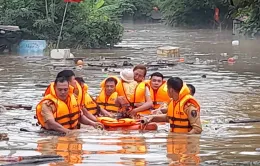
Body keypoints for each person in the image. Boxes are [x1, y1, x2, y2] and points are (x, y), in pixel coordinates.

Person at [36, 77, 102, 134]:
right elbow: (51, 123)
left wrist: (93, 123)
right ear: (54, 88)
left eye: (65, 89)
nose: (63, 92)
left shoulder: (74, 99)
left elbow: (79, 116)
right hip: (53, 134)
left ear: (69, 88)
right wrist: (67, 132)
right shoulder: (48, 104)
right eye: (60, 89)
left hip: (72, 131)